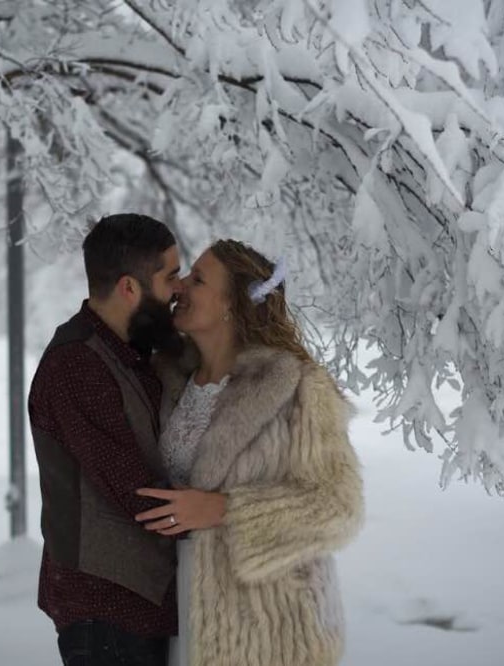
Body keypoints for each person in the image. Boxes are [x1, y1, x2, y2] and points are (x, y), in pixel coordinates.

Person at [135, 239, 364, 666]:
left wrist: (225, 510)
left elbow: (340, 506)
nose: (180, 285)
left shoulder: (300, 388)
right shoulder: (163, 379)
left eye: (198, 279)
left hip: (271, 627)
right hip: (178, 610)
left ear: (232, 304)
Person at [29, 213, 184, 666]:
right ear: (129, 288)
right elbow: (139, 494)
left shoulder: (133, 353)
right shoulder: (77, 363)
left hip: (136, 610)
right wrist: (233, 515)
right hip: (106, 615)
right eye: (170, 275)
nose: (179, 288)